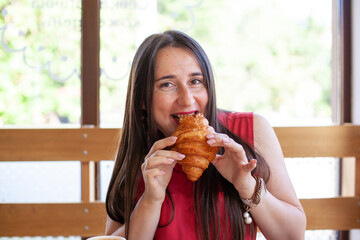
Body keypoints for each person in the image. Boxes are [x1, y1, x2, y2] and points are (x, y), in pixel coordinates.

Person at [105, 30, 306, 240]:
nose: (187, 99)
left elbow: (293, 236)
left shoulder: (251, 130)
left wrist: (246, 185)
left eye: (195, 81)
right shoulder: (142, 154)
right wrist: (151, 200)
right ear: (142, 100)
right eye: (167, 84)